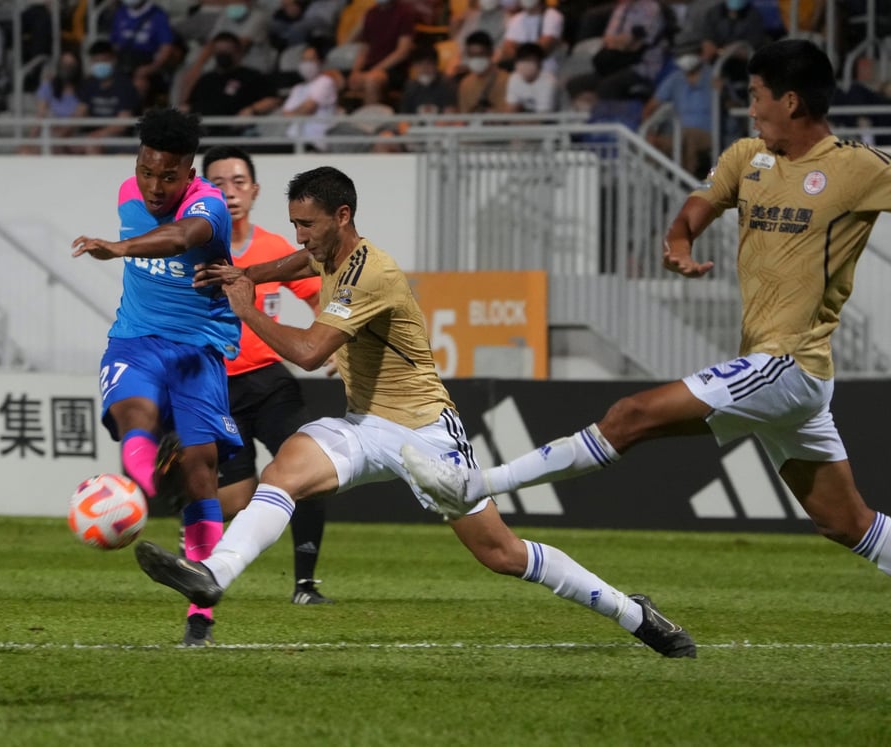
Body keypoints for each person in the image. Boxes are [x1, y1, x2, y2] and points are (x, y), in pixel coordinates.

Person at [132, 165, 697, 659]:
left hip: (424, 433)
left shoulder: (371, 273)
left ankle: (633, 613)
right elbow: (297, 262)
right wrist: (248, 273)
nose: (301, 235)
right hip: (361, 426)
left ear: (343, 215)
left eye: (308, 224)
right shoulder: (328, 251)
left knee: (501, 554)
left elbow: (307, 354)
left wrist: (245, 306)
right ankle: (213, 576)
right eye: (296, 223)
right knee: (284, 471)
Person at [402, 39, 891, 589]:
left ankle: (471, 485)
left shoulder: (856, 167)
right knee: (847, 523)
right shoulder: (747, 158)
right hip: (777, 370)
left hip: (791, 362)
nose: (751, 109)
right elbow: (692, 212)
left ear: (793, 101)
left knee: (629, 416)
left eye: (758, 97)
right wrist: (679, 243)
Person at [71, 107, 241, 646]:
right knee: (133, 418)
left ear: (189, 172)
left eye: (168, 176)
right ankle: (144, 490)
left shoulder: (210, 208)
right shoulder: (127, 191)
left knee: (201, 473)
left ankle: (200, 612)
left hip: (199, 351)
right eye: (147, 171)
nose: (153, 185)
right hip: (135, 340)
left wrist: (119, 248)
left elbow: (178, 237)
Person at [201, 145, 334, 606]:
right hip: (216, 388)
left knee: (310, 468)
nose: (229, 192)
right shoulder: (191, 252)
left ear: (254, 191)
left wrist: (332, 344)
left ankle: (304, 584)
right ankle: (192, 538)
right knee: (235, 499)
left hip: (270, 383)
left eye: (238, 182)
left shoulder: (277, 249)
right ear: (203, 192)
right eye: (217, 183)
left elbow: (320, 296)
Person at [184, 30, 281, 136]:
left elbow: (272, 100)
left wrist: (252, 109)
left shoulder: (251, 76)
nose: (222, 54)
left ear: (238, 51)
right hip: (202, 133)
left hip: (235, 133)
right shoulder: (206, 79)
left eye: (227, 51)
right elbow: (188, 105)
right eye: (219, 51)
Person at [640, 51, 714, 177]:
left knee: (688, 136)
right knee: (653, 142)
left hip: (709, 133)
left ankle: (686, 183)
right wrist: (650, 131)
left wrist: (722, 93)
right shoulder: (675, 78)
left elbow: (733, 104)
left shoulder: (713, 75)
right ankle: (649, 184)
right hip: (679, 134)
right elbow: (651, 106)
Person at [75, 40, 141, 154]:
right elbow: (79, 113)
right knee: (61, 144)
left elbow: (122, 124)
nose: (100, 64)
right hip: (92, 136)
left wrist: (99, 134)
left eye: (104, 60)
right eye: (96, 61)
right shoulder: (89, 84)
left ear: (113, 60)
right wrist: (63, 131)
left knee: (92, 146)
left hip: (118, 137)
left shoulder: (125, 85)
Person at [456, 30, 509, 114]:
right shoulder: (465, 84)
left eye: (480, 54)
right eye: (472, 55)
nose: (476, 59)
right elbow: (464, 116)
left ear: (491, 53)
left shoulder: (507, 80)